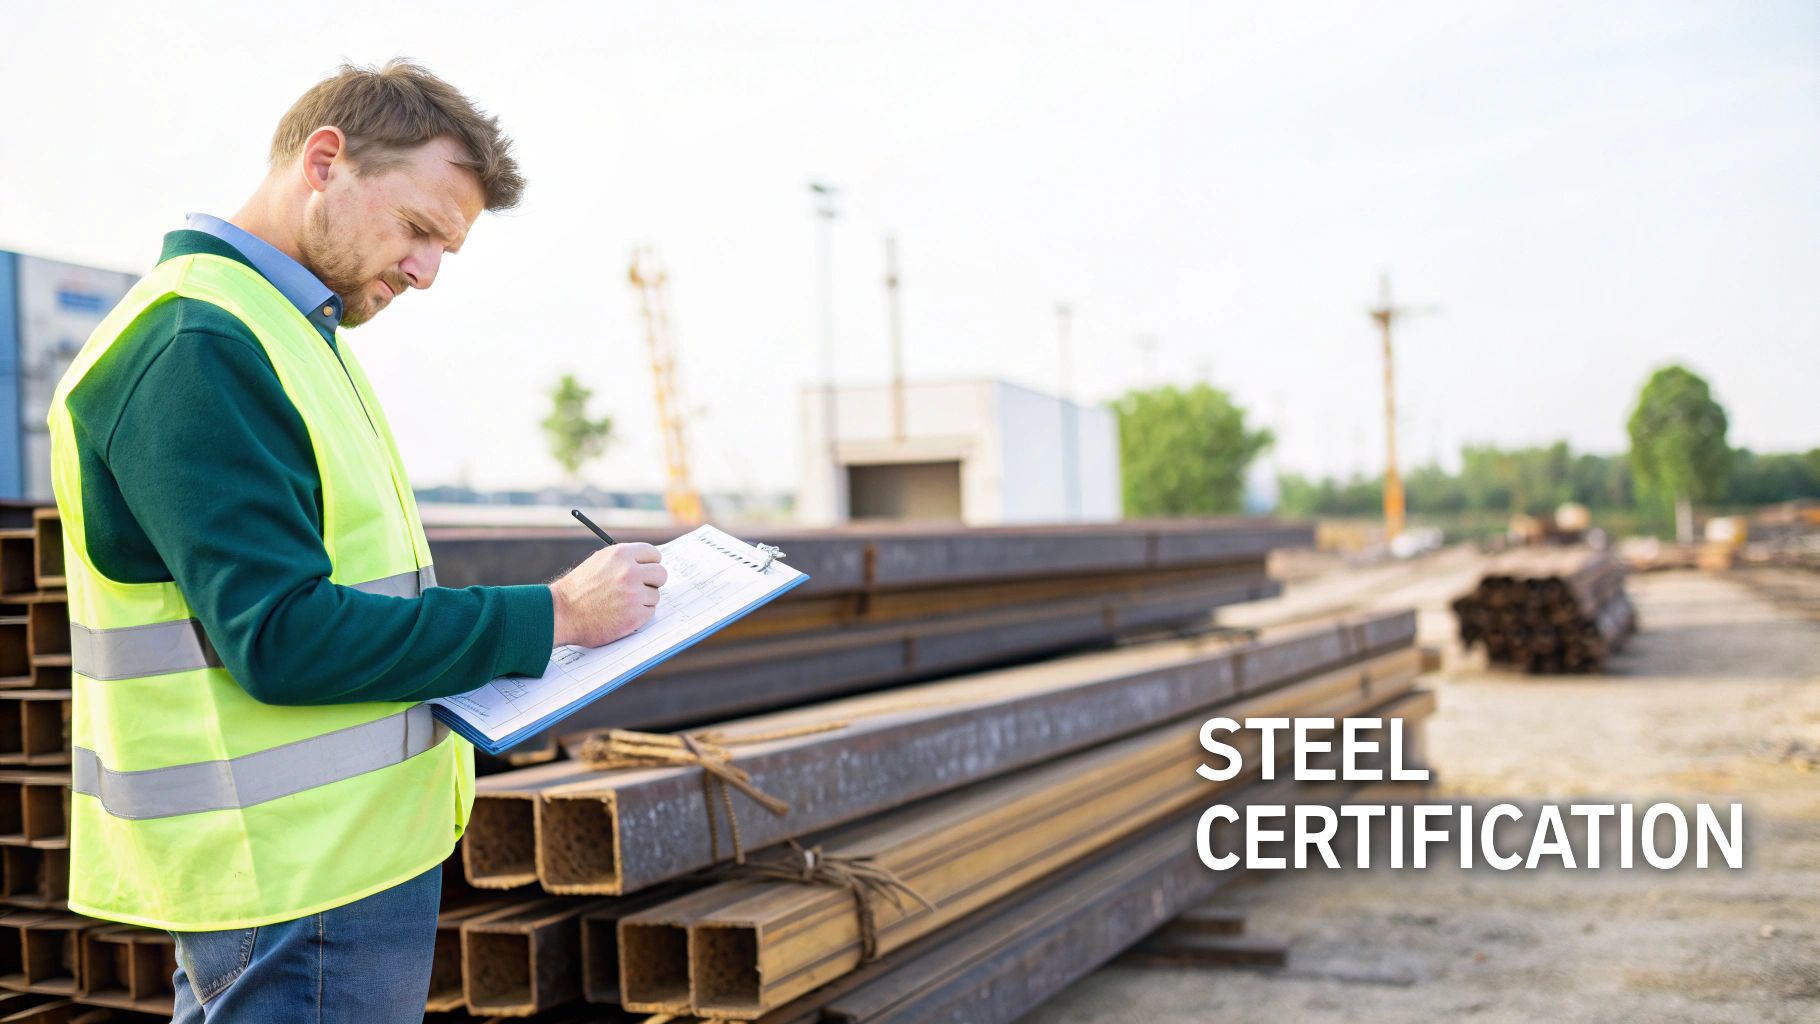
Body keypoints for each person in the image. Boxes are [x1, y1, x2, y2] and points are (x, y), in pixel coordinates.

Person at [47, 59, 664, 1022]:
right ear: (325, 160)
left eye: (445, 250)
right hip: (299, 880)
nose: (424, 271)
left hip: (320, 864)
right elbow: (283, 637)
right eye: (419, 230)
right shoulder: (198, 347)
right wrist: (558, 614)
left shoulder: (284, 332)